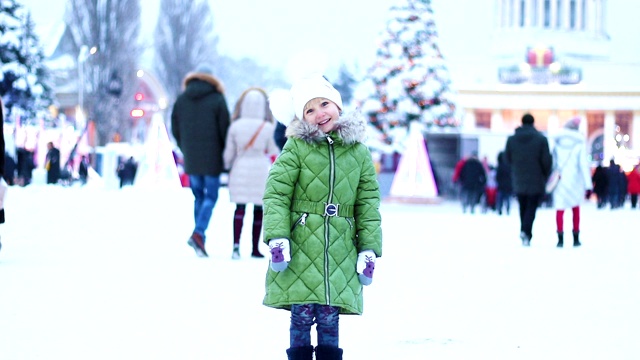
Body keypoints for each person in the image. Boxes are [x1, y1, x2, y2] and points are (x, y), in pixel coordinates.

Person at [262, 75, 382, 360]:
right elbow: (276, 193)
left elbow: (368, 203)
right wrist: (279, 236)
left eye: (324, 104)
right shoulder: (296, 148)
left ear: (338, 105)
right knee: (301, 316)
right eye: (309, 110)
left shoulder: (359, 152)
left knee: (330, 316)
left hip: (340, 247)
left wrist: (368, 248)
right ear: (301, 117)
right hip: (301, 245)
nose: (319, 114)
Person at [171, 64, 230, 257]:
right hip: (212, 158)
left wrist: (184, 147)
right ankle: (199, 233)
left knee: (198, 196)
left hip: (191, 157)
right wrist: (223, 151)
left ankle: (199, 237)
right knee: (211, 196)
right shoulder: (217, 99)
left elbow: (175, 128)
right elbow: (225, 130)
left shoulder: (182, 100)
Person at [223, 87, 279, 259]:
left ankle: (236, 246)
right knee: (258, 210)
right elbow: (272, 149)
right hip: (260, 170)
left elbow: (228, 154)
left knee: (239, 209)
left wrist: (226, 165)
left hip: (240, 167)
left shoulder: (235, 126)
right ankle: (255, 248)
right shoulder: (268, 127)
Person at [505, 113, 552, 246]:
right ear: (533, 123)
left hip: (518, 178)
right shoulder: (541, 139)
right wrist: (544, 174)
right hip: (536, 179)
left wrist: (515, 169)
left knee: (522, 206)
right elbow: (546, 161)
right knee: (531, 207)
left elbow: (507, 159)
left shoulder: (512, 139)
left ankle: (524, 231)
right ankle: (526, 232)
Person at [549, 117, 593, 247]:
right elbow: (584, 166)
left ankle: (560, 238)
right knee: (575, 210)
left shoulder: (556, 143)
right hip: (575, 181)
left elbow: (552, 163)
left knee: (559, 210)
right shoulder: (579, 144)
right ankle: (576, 238)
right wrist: (588, 185)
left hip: (560, 180)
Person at [495, 151, 513, 215]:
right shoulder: (510, 166)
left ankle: (499, 209)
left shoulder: (499, 166)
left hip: (501, 185)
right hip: (508, 185)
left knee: (500, 199)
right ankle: (507, 210)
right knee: (507, 199)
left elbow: (497, 177)